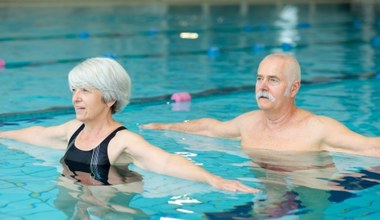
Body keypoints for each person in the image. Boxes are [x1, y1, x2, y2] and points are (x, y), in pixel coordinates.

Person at [0, 57, 258, 193]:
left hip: (112, 211)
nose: (75, 98)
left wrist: (213, 180)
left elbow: (166, 161)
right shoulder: (72, 130)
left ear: (110, 98)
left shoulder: (122, 140)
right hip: (75, 206)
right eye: (74, 89)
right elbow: (37, 134)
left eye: (85, 90)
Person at [141, 53, 380, 157]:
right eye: (259, 78)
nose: (262, 86)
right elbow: (209, 128)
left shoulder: (317, 128)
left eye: (273, 80)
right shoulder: (249, 123)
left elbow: (369, 147)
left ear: (293, 89)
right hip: (265, 197)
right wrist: (164, 126)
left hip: (308, 197)